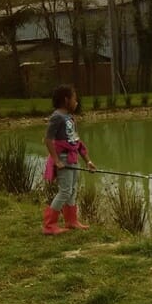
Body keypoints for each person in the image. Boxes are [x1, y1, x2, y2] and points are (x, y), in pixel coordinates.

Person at [43, 84, 96, 235]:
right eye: (74, 99)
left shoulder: (71, 118)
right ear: (66, 100)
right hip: (63, 160)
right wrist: (56, 160)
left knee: (72, 191)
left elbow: (77, 142)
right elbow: (47, 140)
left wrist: (88, 161)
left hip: (73, 159)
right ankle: (49, 225)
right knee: (65, 191)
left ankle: (71, 221)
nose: (76, 102)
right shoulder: (56, 117)